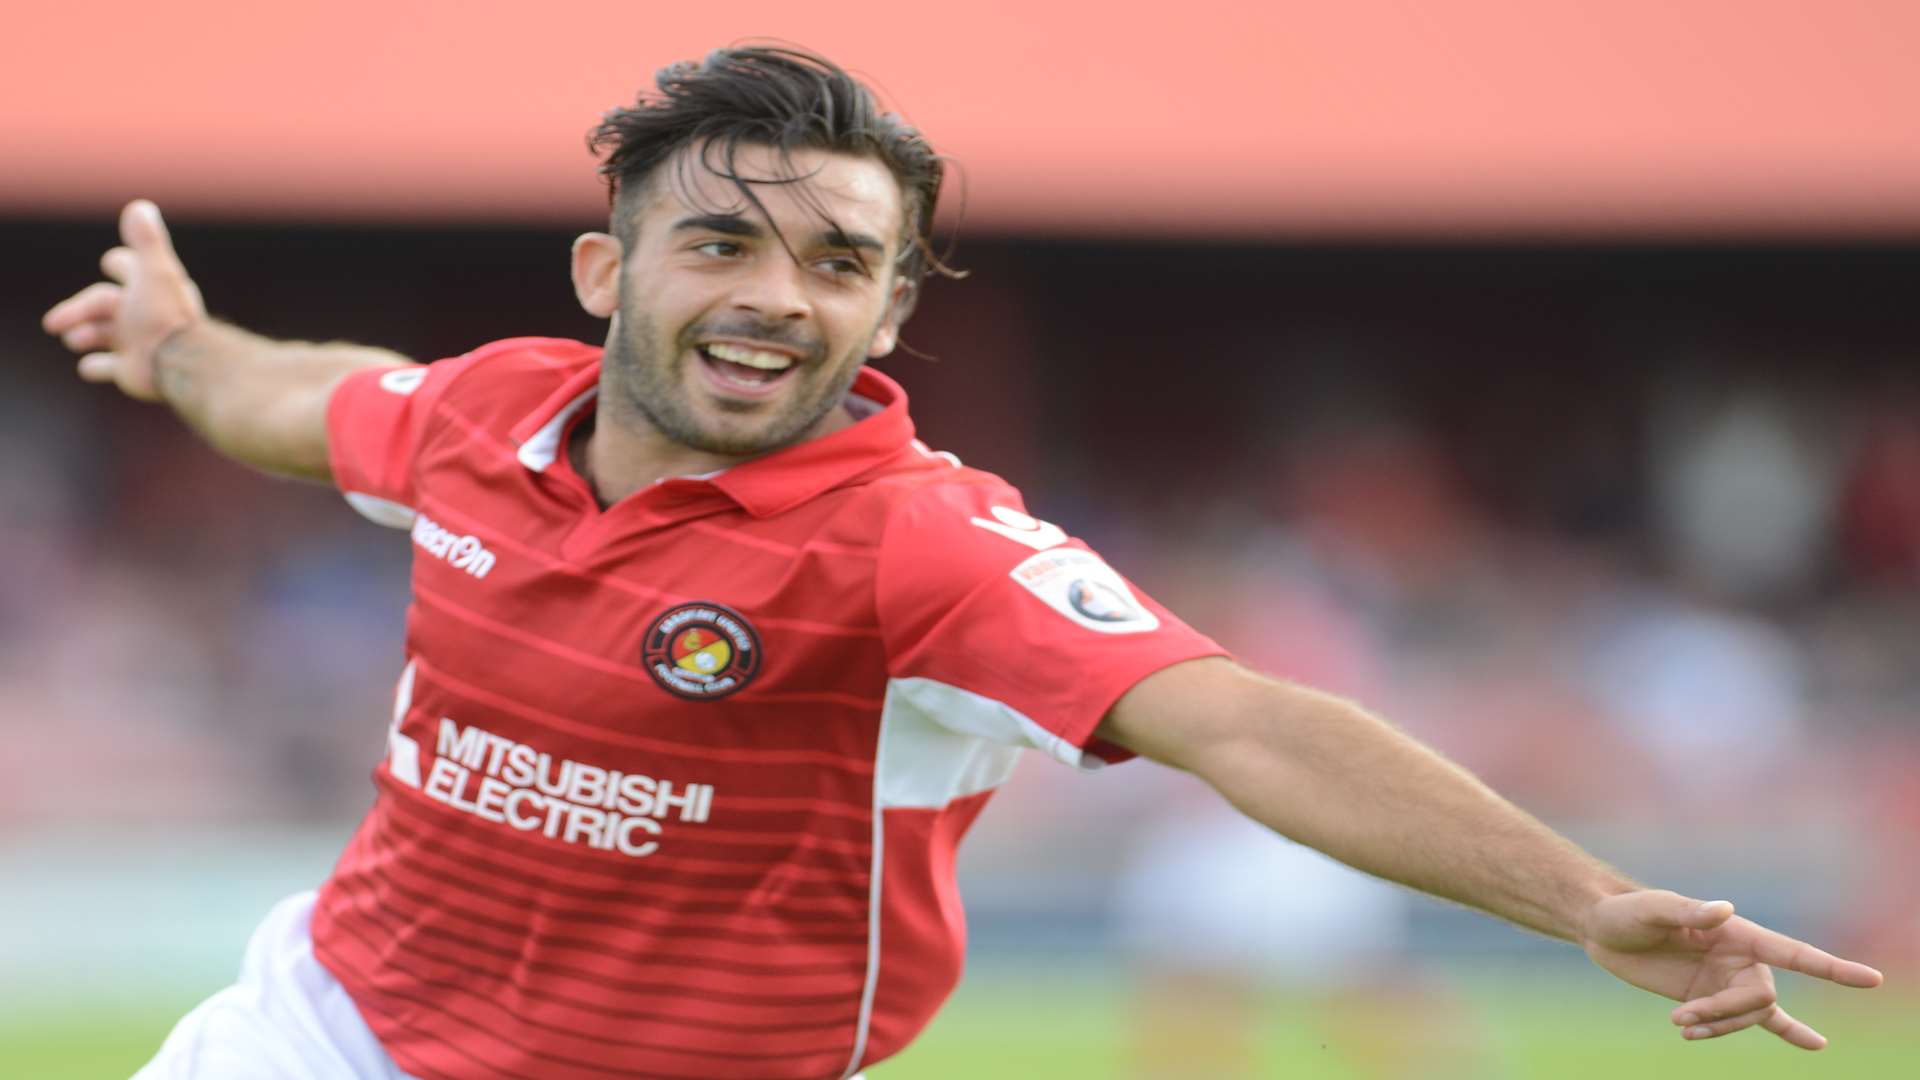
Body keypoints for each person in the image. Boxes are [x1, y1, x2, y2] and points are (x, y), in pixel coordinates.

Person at [42, 45, 1882, 1080]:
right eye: (721, 245)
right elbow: (321, 398)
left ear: (892, 306)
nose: (777, 297)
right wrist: (183, 348)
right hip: (323, 1032)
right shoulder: (485, 417)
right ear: (610, 275)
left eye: (840, 263)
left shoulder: (923, 545)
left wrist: (1583, 900)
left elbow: (1239, 722)